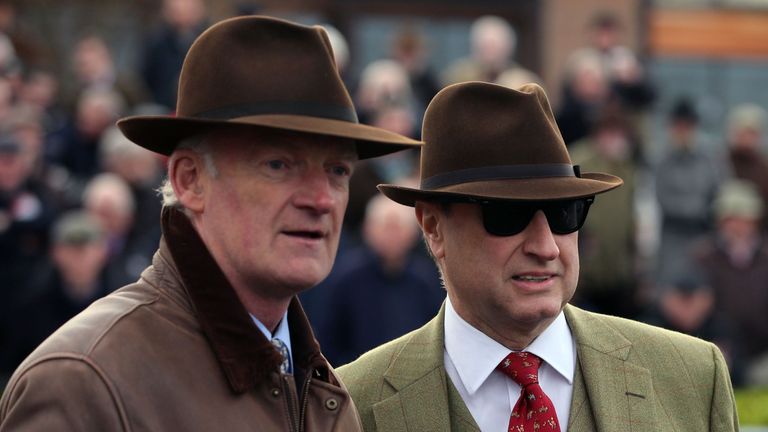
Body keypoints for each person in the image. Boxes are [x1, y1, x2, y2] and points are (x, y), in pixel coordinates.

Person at [0, 15, 420, 430]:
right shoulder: (84, 385)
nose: (322, 199)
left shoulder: (321, 389)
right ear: (190, 180)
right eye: (278, 164)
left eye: (338, 171)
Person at [337, 82, 738, 431]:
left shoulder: (694, 378)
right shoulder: (350, 404)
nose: (546, 246)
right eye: (507, 214)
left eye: (566, 213)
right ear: (433, 227)